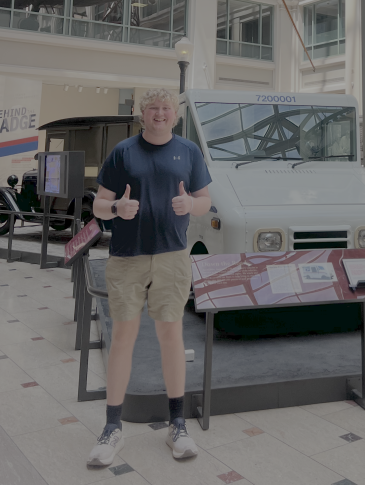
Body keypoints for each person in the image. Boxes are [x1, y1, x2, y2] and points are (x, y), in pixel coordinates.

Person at [86, 88, 212, 469]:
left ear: (175, 115)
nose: (160, 114)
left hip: (172, 256)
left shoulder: (189, 152)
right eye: (153, 108)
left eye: (166, 108)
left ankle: (177, 424)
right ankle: (111, 427)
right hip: (127, 258)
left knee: (171, 334)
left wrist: (190, 204)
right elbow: (98, 204)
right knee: (123, 336)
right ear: (143, 114)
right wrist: (117, 208)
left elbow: (205, 200)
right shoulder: (123, 152)